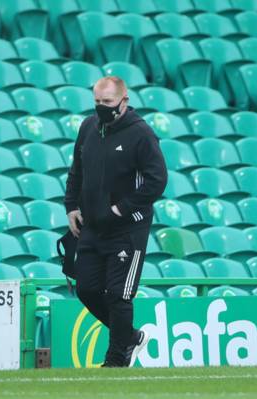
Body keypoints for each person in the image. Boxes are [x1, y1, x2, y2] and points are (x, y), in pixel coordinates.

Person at [64, 76, 168, 367]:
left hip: (127, 228)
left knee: (119, 295)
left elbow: (157, 180)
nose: (102, 108)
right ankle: (131, 338)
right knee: (85, 288)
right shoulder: (88, 128)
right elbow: (77, 169)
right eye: (97, 102)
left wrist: (122, 209)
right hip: (93, 227)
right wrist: (71, 206)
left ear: (124, 100)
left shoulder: (141, 134)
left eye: (107, 102)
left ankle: (116, 360)